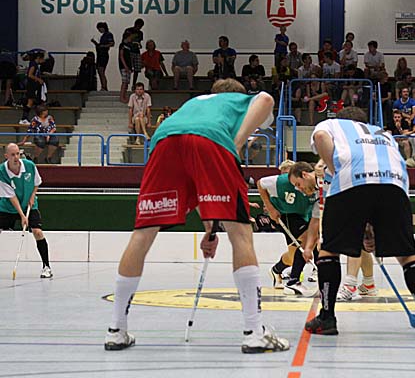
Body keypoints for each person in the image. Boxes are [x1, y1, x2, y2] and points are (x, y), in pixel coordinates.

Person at [104, 79, 289, 353]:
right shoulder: (236, 100)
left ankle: (116, 330)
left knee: (143, 234)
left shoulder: (194, 104)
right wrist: (236, 144)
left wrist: (210, 231)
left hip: (163, 143)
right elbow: (265, 99)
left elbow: (202, 186)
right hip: (213, 141)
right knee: (241, 234)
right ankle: (254, 333)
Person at [290, 106, 415, 337]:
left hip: (351, 182)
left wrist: (337, 171)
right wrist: (370, 225)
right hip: (394, 185)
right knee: (408, 254)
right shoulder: (383, 134)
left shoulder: (333, 125)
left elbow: (320, 137)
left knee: (329, 251)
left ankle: (327, 317)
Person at [258, 161, 320, 296]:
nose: (298, 188)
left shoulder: (321, 183)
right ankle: (293, 282)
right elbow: (260, 184)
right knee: (307, 238)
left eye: (298, 184)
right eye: (295, 185)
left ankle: (277, 269)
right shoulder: (280, 181)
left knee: (293, 257)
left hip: (305, 215)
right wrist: (270, 208)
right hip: (285, 214)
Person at [0, 143, 52, 278]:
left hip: (29, 204)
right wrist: (22, 216)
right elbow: (11, 196)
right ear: (6, 156)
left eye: (18, 154)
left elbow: (37, 183)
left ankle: (46, 267)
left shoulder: (29, 166)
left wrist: (33, 195)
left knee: (38, 232)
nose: (16, 157)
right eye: (12, 155)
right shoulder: (2, 171)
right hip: (8, 207)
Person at [20, 52, 45, 125]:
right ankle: (24, 118)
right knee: (30, 102)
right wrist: (38, 79)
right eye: (42, 59)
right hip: (31, 85)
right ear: (38, 58)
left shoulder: (36, 65)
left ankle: (34, 118)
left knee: (34, 101)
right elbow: (30, 75)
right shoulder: (33, 64)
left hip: (34, 85)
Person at [91, 22, 115, 91]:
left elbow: (112, 43)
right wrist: (95, 43)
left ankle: (104, 86)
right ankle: (103, 86)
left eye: (99, 29)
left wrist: (103, 46)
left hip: (103, 55)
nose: (99, 30)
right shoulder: (103, 35)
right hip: (100, 54)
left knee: (101, 71)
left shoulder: (108, 34)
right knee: (100, 71)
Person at [125, 18, 145, 91]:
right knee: (128, 68)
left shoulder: (140, 33)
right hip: (129, 51)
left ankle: (134, 84)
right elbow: (125, 41)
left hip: (136, 51)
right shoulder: (128, 30)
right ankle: (126, 84)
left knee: (137, 69)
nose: (139, 28)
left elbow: (139, 41)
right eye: (139, 26)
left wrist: (139, 44)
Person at [118, 29, 134, 103]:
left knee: (127, 82)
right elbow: (121, 56)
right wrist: (125, 66)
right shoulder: (122, 45)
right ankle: (121, 97)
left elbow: (129, 57)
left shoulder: (129, 46)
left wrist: (130, 66)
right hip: (124, 66)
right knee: (124, 81)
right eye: (130, 37)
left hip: (128, 66)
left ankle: (124, 95)